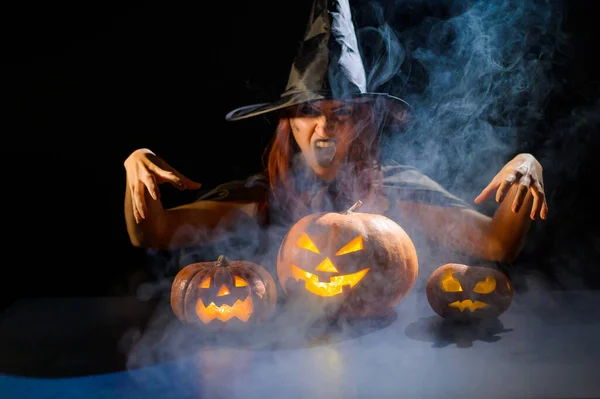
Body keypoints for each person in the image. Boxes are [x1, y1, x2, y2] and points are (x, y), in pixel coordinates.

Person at [123, 0, 547, 282]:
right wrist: (134, 165)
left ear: (358, 124)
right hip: (278, 362)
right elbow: (152, 233)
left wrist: (528, 163)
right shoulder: (261, 196)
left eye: (339, 115)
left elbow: (498, 243)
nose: (323, 128)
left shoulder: (396, 188)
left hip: (386, 352)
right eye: (308, 113)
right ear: (288, 123)